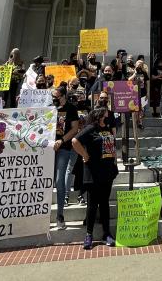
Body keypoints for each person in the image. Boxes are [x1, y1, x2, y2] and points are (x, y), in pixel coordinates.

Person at [71, 107, 118, 249]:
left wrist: (115, 162)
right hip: (93, 172)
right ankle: (89, 235)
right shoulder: (91, 128)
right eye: (106, 114)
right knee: (92, 205)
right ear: (99, 116)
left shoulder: (108, 129)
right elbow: (75, 141)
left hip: (107, 171)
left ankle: (107, 233)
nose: (108, 115)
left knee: (104, 203)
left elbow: (112, 148)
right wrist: (84, 155)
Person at [52, 87, 81, 231]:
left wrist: (62, 140)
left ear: (63, 96)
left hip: (63, 148)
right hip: (49, 148)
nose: (54, 98)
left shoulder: (71, 108)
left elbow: (74, 129)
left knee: (59, 179)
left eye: (56, 96)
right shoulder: (50, 108)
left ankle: (59, 215)